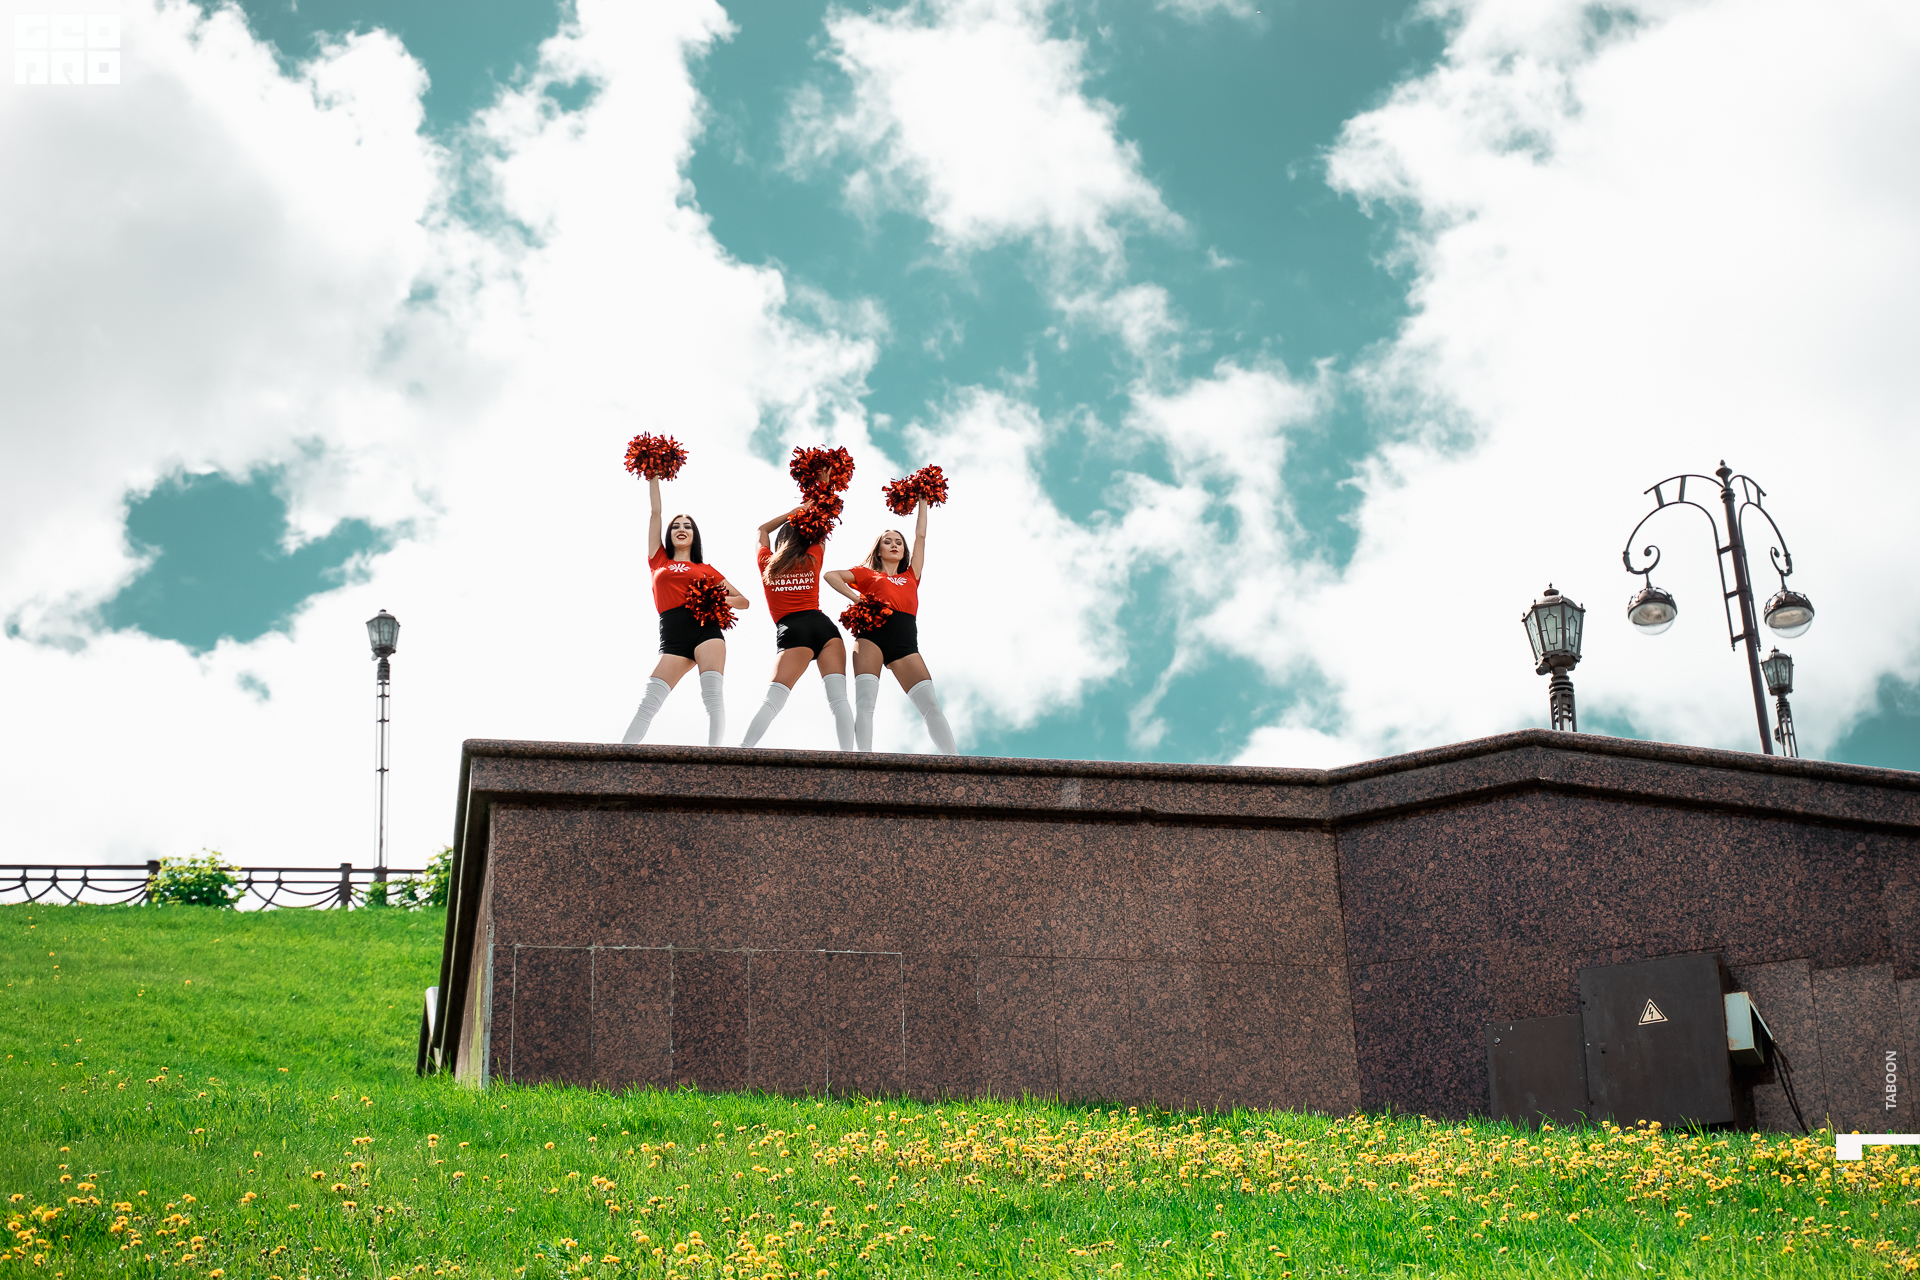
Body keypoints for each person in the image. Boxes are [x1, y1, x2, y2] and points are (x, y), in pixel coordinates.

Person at [620, 474, 749, 746]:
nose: (681, 529)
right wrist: (653, 477)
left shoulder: (705, 569)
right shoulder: (658, 560)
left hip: (706, 633)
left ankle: (715, 755)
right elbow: (656, 512)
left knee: (712, 696)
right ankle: (619, 755)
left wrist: (713, 599)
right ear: (669, 534)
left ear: (694, 536)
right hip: (673, 637)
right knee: (650, 700)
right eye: (676, 526)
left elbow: (742, 600)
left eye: (687, 526)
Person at [824, 496, 957, 754]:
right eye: (888, 541)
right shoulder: (866, 574)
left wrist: (922, 500)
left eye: (898, 542)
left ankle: (956, 761)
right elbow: (831, 575)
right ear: (879, 549)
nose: (894, 545)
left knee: (930, 704)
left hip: (904, 643)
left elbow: (920, 536)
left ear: (904, 550)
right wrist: (858, 599)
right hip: (870, 638)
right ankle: (864, 760)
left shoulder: (912, 575)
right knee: (866, 702)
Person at [738, 508, 857, 749]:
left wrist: (793, 513)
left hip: (793, 631)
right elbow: (822, 528)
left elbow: (762, 530)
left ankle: (743, 749)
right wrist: (813, 507)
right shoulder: (813, 558)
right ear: (806, 540)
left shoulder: (767, 563)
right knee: (839, 700)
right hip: (824, 629)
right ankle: (849, 757)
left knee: (773, 700)